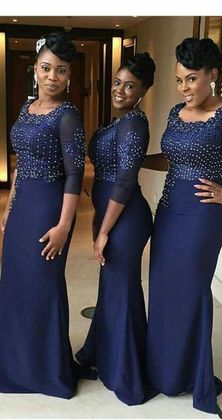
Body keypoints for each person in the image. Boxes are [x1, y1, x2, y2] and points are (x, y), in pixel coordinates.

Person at [144, 37, 222, 414]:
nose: (184, 88)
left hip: (202, 218)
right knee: (164, 291)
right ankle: (165, 371)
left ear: (213, 76)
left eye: (192, 79)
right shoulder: (175, 113)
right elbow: (173, 159)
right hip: (168, 212)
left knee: (192, 293)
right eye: (180, 79)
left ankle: (191, 375)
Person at [0, 31, 91, 399]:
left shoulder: (67, 115)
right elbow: (21, 162)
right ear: (36, 68)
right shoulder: (27, 108)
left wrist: (64, 226)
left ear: (69, 77)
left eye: (61, 71)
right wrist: (8, 207)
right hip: (22, 208)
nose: (52, 77)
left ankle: (46, 371)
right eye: (46, 68)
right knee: (17, 287)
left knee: (43, 288)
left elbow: (74, 173)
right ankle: (16, 364)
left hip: (50, 211)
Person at [76, 52, 158, 405]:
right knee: (112, 286)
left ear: (143, 91)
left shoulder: (135, 124)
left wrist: (105, 230)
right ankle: (106, 355)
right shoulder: (115, 123)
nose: (120, 90)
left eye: (131, 86)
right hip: (108, 213)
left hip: (124, 218)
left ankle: (127, 371)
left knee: (122, 287)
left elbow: (125, 181)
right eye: (117, 83)